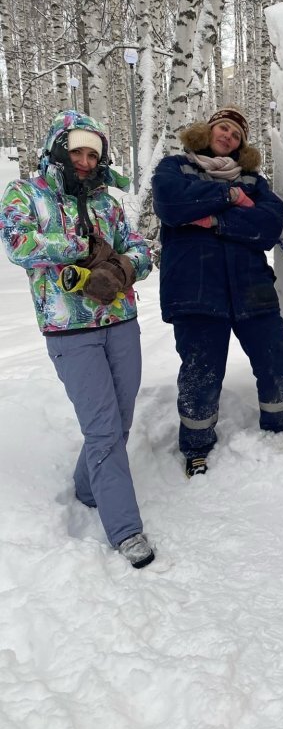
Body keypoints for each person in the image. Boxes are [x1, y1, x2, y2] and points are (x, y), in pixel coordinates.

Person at [0, 110, 154, 568]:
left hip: (121, 321)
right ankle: (125, 529)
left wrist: (121, 268)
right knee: (103, 428)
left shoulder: (108, 203)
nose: (85, 162)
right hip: (69, 330)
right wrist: (80, 247)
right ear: (58, 150)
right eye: (77, 152)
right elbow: (18, 244)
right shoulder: (25, 193)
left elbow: (141, 250)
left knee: (120, 420)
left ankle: (89, 488)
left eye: (92, 154)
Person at [152, 106, 283, 477]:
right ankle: (197, 446)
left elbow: (268, 225)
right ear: (208, 131)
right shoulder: (175, 167)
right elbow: (172, 204)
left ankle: (282, 433)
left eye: (236, 135)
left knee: (278, 359)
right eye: (224, 129)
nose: (229, 137)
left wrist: (213, 218)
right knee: (201, 372)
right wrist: (233, 198)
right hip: (195, 288)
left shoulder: (254, 181)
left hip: (252, 286)